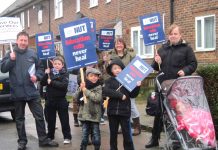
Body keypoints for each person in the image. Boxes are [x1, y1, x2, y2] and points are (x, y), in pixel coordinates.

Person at [0, 31, 59, 150]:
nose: (23, 42)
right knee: (19, 119)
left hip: (32, 91)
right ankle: (22, 142)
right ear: (17, 41)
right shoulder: (10, 53)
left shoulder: (33, 53)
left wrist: (36, 77)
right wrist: (11, 60)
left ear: (27, 42)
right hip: (17, 92)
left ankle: (43, 139)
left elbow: (40, 68)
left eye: (25, 40)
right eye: (21, 40)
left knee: (39, 116)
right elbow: (3, 68)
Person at [145, 24, 198, 148]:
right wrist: (156, 61)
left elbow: (193, 64)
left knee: (178, 114)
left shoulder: (186, 49)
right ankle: (154, 139)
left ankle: (179, 140)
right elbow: (154, 66)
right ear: (168, 36)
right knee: (158, 113)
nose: (173, 36)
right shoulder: (162, 49)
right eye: (171, 34)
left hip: (178, 87)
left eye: (175, 33)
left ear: (180, 35)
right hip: (161, 85)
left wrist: (185, 70)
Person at [103, 58, 141, 150]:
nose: (117, 70)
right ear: (111, 70)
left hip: (125, 112)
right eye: (115, 68)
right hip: (112, 113)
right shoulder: (109, 81)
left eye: (119, 68)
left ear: (123, 69)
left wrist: (137, 86)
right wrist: (120, 95)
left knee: (127, 135)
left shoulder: (128, 80)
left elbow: (133, 95)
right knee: (113, 135)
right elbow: (106, 91)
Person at [109, 38, 141, 136]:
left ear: (124, 45)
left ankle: (137, 126)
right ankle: (123, 126)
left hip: (129, 81)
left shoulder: (130, 54)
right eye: (117, 44)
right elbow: (109, 69)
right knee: (120, 104)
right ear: (114, 45)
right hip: (117, 83)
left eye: (120, 43)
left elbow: (136, 66)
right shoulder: (111, 56)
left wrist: (137, 80)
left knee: (131, 105)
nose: (119, 45)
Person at [40, 56, 72, 144]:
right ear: (52, 64)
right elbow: (42, 83)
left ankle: (67, 137)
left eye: (59, 64)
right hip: (50, 100)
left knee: (64, 120)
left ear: (62, 65)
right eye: (55, 64)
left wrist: (52, 82)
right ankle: (50, 136)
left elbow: (63, 85)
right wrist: (46, 74)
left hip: (61, 100)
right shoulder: (50, 73)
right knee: (50, 120)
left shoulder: (65, 73)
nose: (57, 65)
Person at [74, 67, 102, 150]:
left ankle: (97, 148)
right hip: (84, 115)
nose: (94, 77)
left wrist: (85, 90)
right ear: (87, 77)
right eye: (91, 76)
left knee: (96, 135)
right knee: (84, 136)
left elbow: (97, 98)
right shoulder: (83, 85)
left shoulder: (99, 87)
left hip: (94, 115)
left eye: (96, 76)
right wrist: (80, 89)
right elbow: (75, 97)